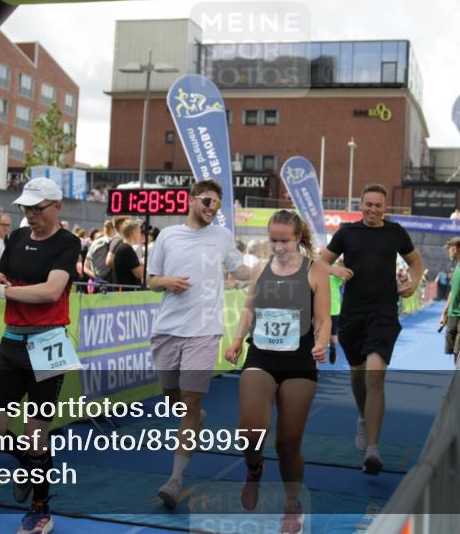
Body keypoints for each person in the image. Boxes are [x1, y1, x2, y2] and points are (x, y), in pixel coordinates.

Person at [0, 177, 81, 534]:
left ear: (56, 207)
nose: (30, 215)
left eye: (37, 209)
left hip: (49, 345)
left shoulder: (69, 242)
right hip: (11, 344)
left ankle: (40, 510)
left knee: (37, 436)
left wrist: (1, 292)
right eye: (26, 209)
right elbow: (4, 275)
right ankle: (29, 466)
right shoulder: (16, 237)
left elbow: (51, 292)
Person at [147, 179, 252, 507]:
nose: (211, 209)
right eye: (207, 201)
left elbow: (241, 270)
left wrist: (276, 267)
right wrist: (166, 281)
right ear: (191, 200)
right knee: (172, 399)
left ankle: (174, 479)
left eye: (217, 205)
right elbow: (151, 280)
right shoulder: (168, 235)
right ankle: (194, 413)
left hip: (205, 330)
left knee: (189, 405)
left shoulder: (222, 237)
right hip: (167, 329)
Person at [225, 210, 330, 533]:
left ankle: (291, 502)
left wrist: (322, 342)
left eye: (285, 240)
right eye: (273, 240)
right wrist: (238, 338)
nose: (279, 246)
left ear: (298, 238)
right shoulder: (260, 269)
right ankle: (254, 469)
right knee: (250, 431)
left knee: (287, 444)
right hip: (261, 355)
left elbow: (324, 319)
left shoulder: (316, 271)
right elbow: (248, 307)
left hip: (299, 360)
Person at [320, 183, 423, 474]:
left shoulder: (395, 232)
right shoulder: (346, 233)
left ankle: (373, 451)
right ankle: (363, 418)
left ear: (385, 208)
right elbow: (320, 261)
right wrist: (334, 270)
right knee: (358, 374)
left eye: (378, 205)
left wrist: (414, 282)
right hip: (353, 314)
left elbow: (415, 261)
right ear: (361, 205)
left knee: (375, 374)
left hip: (384, 313)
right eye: (368, 205)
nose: (373, 210)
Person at [111, 220, 144, 289]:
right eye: (139, 232)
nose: (140, 235)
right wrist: (144, 262)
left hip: (124, 292)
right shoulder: (127, 250)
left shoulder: (123, 247)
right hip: (127, 293)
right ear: (134, 232)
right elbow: (139, 274)